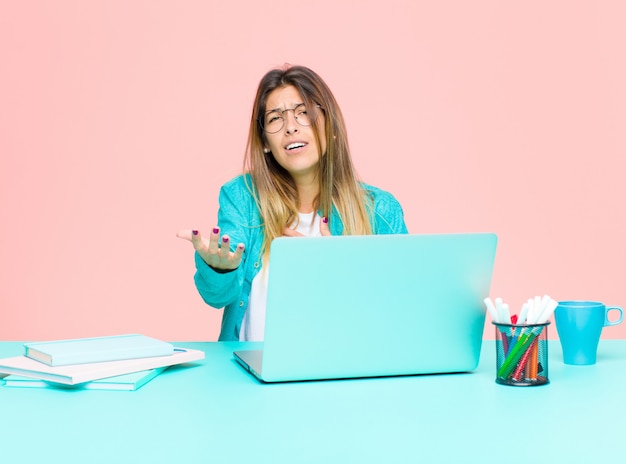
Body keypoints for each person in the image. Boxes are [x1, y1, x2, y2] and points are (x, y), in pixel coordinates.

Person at [177, 64, 408, 341]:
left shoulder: (380, 210)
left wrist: (337, 271)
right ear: (264, 141)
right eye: (275, 119)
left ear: (330, 127)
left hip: (344, 376)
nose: (290, 127)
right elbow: (217, 296)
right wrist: (219, 268)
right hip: (251, 379)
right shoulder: (242, 197)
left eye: (304, 113)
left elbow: (401, 310)